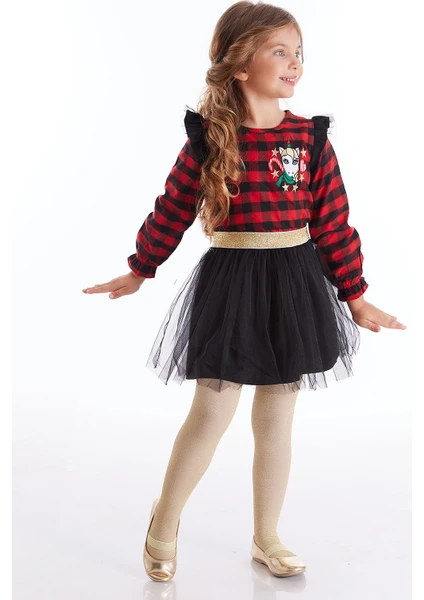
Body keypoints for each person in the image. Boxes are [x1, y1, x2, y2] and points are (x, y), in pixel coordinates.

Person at [82, 0, 407, 582]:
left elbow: (333, 221)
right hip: (232, 283)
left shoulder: (309, 138)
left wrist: (355, 294)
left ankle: (267, 535)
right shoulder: (210, 139)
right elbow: (173, 208)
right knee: (212, 410)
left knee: (278, 412)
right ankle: (164, 520)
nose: (295, 62)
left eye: (298, 52)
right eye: (279, 51)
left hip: (295, 281)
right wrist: (140, 267)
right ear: (239, 65)